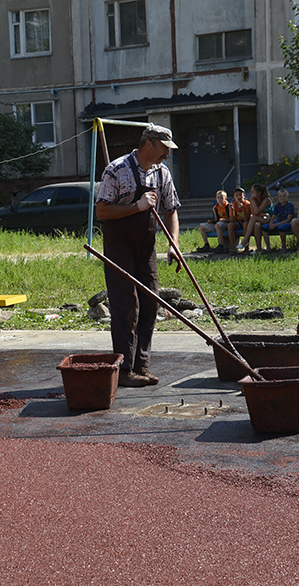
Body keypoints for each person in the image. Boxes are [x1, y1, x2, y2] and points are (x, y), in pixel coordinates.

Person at [95, 124, 181, 388]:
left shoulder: (162, 172)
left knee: (150, 302)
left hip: (146, 247)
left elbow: (171, 210)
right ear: (149, 144)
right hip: (120, 246)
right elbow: (102, 212)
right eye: (165, 147)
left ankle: (142, 366)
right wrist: (137, 206)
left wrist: (173, 243)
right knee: (126, 306)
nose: (167, 153)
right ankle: (123, 370)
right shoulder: (117, 170)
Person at [236, 183, 273, 253]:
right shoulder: (255, 200)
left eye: (253, 192)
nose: (251, 193)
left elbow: (256, 212)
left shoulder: (266, 199)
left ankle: (245, 240)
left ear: (258, 193)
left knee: (254, 217)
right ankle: (259, 249)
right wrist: (264, 214)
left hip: (269, 220)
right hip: (260, 219)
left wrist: (252, 201)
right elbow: (253, 212)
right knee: (257, 225)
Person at [259, 187, 296, 252]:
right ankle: (268, 247)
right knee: (264, 228)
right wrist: (271, 224)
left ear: (288, 197)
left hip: (288, 223)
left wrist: (275, 225)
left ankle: (284, 247)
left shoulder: (290, 205)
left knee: (281, 228)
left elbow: (288, 219)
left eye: (284, 196)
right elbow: (273, 217)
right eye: (280, 196)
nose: (282, 198)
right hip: (279, 222)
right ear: (278, 197)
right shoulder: (277, 205)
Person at [226, 187, 251, 254]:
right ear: (234, 197)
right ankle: (233, 249)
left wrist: (243, 208)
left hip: (245, 222)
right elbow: (232, 220)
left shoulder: (247, 204)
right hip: (237, 223)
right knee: (230, 225)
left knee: (245, 224)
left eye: (240, 195)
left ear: (244, 196)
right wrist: (233, 210)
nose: (239, 197)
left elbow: (246, 219)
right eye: (237, 195)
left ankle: (246, 248)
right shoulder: (233, 204)